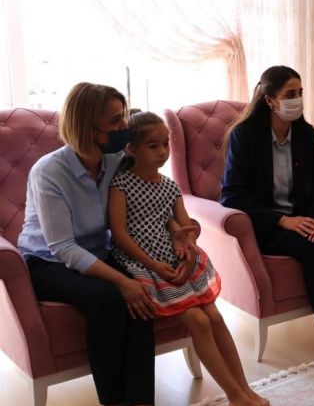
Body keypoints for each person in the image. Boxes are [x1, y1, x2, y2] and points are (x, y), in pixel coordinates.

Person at [18, 83, 169, 405]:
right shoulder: (49, 172)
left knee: (142, 293)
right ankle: (112, 400)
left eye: (123, 116)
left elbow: (152, 193)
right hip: (47, 261)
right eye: (115, 120)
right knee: (108, 298)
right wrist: (122, 282)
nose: (124, 126)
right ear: (87, 128)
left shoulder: (116, 159)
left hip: (98, 250)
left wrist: (178, 231)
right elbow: (63, 247)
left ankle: (141, 400)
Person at [108, 112, 269, 406]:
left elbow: (186, 228)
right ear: (131, 149)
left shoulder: (169, 186)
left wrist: (188, 250)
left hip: (174, 260)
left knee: (215, 317)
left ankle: (245, 389)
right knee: (197, 320)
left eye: (165, 143)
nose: (162, 152)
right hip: (143, 265)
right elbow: (119, 235)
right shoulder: (121, 185)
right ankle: (234, 394)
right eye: (153, 146)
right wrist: (154, 265)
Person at [220, 65, 314, 364]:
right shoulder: (244, 136)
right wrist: (283, 220)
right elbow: (232, 195)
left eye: (300, 92)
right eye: (290, 94)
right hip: (266, 223)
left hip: (303, 216)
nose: (298, 99)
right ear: (270, 100)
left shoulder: (307, 135)